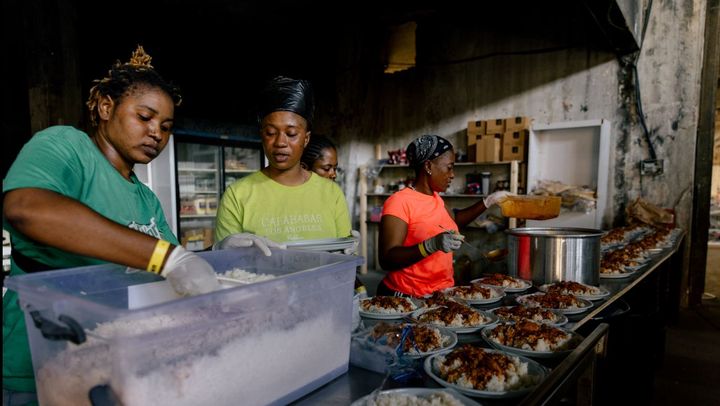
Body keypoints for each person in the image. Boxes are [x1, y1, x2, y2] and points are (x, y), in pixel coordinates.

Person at [2, 46, 219, 403]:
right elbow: (28, 208)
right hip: (38, 362)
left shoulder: (145, 197)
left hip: (107, 362)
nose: (156, 134)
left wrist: (222, 254)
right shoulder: (67, 147)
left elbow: (174, 265)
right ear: (106, 108)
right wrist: (165, 258)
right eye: (145, 117)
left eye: (166, 127)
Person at [214, 76, 352, 248]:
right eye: (271, 132)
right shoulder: (237, 195)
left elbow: (345, 259)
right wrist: (222, 247)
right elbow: (227, 265)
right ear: (261, 136)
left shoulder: (332, 194)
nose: (280, 142)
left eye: (291, 133)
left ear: (306, 139)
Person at [377, 134, 511, 297]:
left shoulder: (435, 198)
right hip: (409, 295)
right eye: (449, 167)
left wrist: (488, 202)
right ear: (428, 166)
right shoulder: (399, 201)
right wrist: (430, 246)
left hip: (441, 293)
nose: (453, 174)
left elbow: (454, 221)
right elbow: (387, 258)